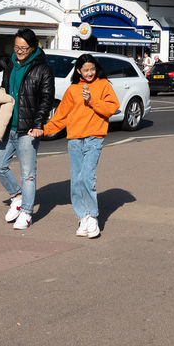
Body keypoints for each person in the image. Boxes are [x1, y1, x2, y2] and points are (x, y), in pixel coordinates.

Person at [43, 53, 119, 239]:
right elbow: (61, 116)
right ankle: (82, 217)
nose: (90, 73)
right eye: (86, 70)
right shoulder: (72, 90)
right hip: (75, 140)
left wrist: (92, 100)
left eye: (92, 69)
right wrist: (43, 130)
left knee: (87, 177)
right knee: (76, 181)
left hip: (94, 138)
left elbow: (112, 107)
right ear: (79, 71)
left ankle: (93, 217)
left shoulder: (103, 85)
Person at [0, 28, 55, 230]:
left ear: (34, 47)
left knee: (28, 173)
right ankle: (17, 196)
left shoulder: (43, 69)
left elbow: (47, 100)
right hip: (7, 126)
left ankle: (27, 212)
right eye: (16, 47)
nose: (19, 51)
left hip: (28, 129)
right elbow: (4, 90)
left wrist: (38, 125)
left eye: (24, 48)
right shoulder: (10, 64)